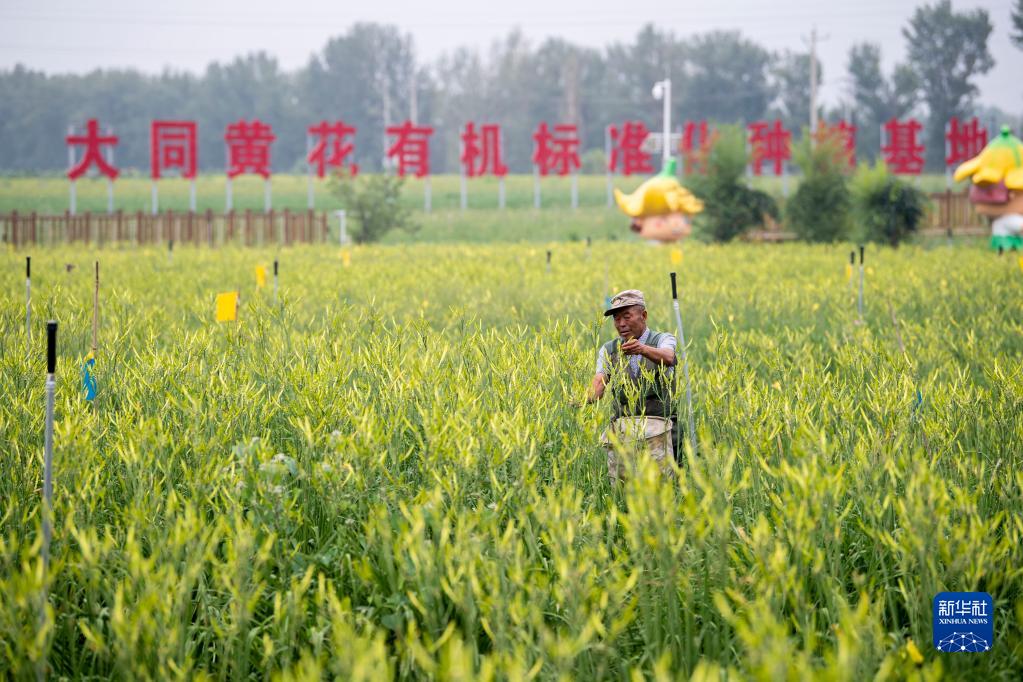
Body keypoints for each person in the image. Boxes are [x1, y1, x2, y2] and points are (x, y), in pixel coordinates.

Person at [586, 289, 680, 481]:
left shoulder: (663, 339)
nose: (621, 324)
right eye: (616, 319)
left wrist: (642, 349)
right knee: (623, 491)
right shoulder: (609, 349)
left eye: (627, 317)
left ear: (643, 316)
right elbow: (599, 384)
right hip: (623, 434)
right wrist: (582, 399)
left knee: (660, 491)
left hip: (659, 431)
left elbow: (669, 357)